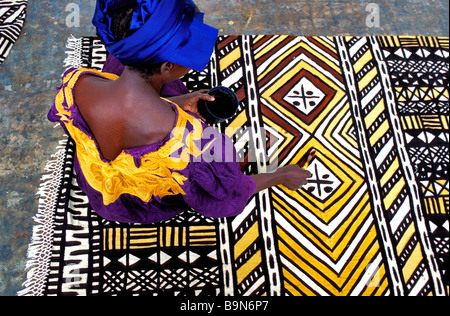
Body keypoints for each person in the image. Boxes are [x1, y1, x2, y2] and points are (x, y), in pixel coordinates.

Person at [48, 0, 312, 224]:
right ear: (166, 66)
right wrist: (279, 176)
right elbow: (227, 194)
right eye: (186, 54)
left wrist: (177, 102)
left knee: (126, 74)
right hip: (137, 202)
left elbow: (125, 119)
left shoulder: (76, 84)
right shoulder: (193, 141)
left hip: (98, 188)